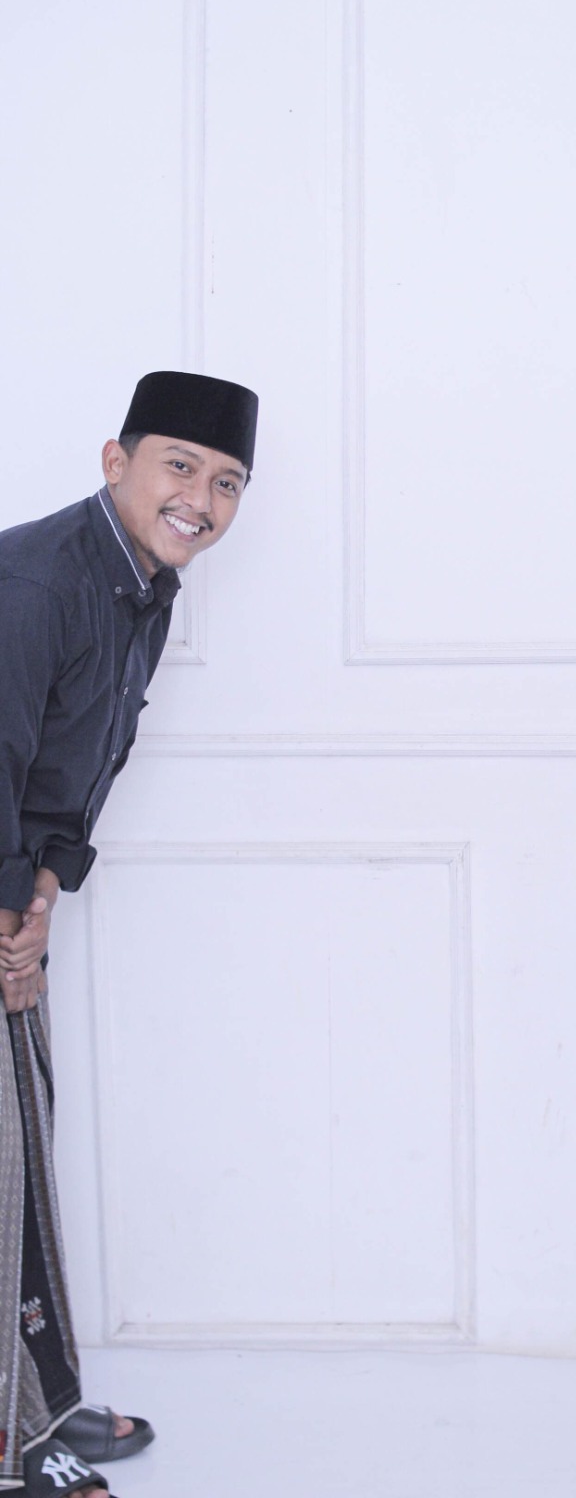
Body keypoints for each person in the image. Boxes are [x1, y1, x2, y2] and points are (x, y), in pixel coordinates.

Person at [0, 370, 257, 1497]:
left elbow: (81, 765)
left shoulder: (144, 587)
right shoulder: (37, 581)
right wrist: (9, 921)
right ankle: (11, 1447)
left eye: (228, 481)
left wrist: (46, 890)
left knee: (20, 1150)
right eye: (180, 466)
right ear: (116, 461)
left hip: (15, 894)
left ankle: (38, 1403)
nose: (201, 497)